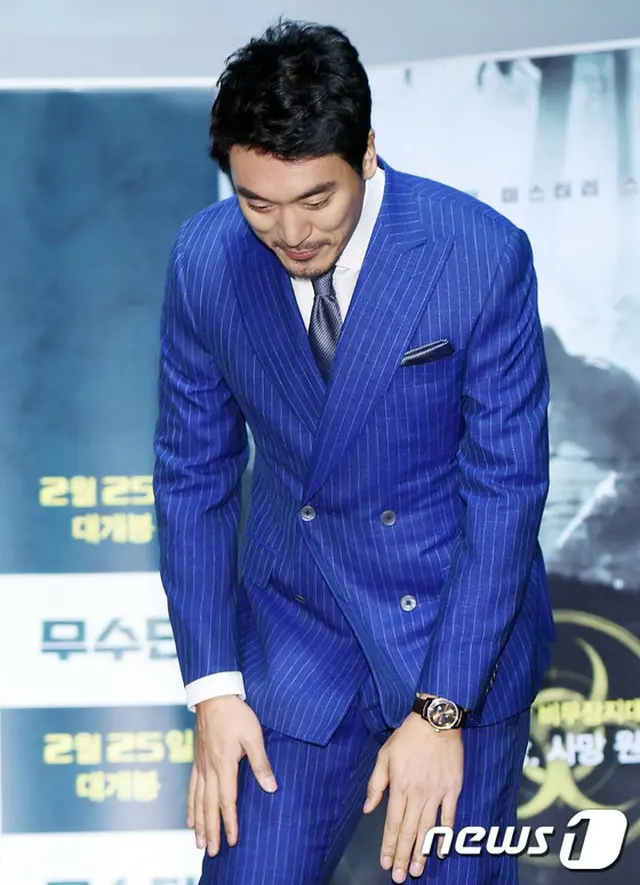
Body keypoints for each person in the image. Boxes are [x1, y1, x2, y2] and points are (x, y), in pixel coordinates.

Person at [153, 18, 555, 885]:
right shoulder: (205, 262)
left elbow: (506, 491)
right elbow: (192, 478)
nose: (291, 231)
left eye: (316, 199)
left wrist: (442, 711)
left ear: (366, 151)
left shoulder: (478, 255)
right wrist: (215, 691)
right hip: (298, 637)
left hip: (455, 641)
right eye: (259, 203)